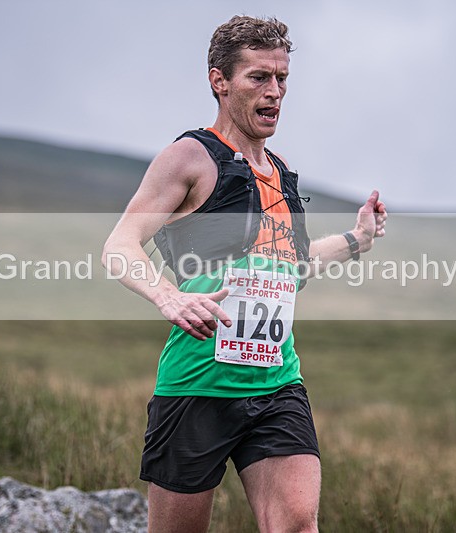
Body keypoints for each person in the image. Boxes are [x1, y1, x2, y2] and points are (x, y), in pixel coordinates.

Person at [102, 15, 387, 533]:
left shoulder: (279, 172)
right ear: (219, 81)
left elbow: (289, 269)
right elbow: (119, 245)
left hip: (277, 383)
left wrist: (357, 240)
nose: (275, 92)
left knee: (298, 526)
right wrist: (168, 297)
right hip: (198, 385)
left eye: (282, 79)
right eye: (259, 77)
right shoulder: (190, 157)